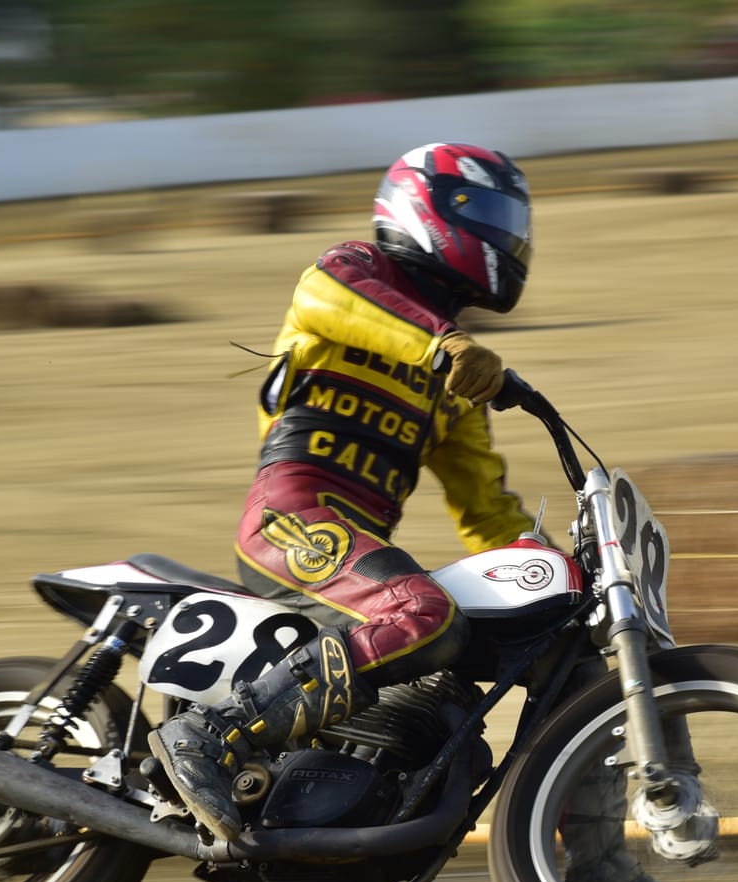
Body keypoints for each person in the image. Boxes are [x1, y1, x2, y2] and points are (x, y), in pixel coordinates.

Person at [150, 142, 537, 844]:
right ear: (424, 209)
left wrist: (551, 566)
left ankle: (593, 865)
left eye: (510, 219)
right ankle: (211, 733)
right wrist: (444, 343)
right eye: (484, 213)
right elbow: (326, 296)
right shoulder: (356, 273)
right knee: (424, 612)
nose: (505, 235)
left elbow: (487, 514)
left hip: (356, 544)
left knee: (512, 637)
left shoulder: (455, 385)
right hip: (291, 511)